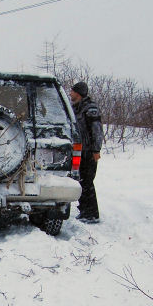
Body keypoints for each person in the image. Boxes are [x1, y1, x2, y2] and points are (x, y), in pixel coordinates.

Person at [69, 81, 103, 223]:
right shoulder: (75, 108)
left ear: (78, 93)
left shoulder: (90, 109)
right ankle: (84, 211)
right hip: (78, 152)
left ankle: (91, 214)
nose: (70, 93)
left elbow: (97, 130)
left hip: (88, 152)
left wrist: (96, 149)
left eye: (72, 91)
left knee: (87, 182)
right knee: (81, 181)